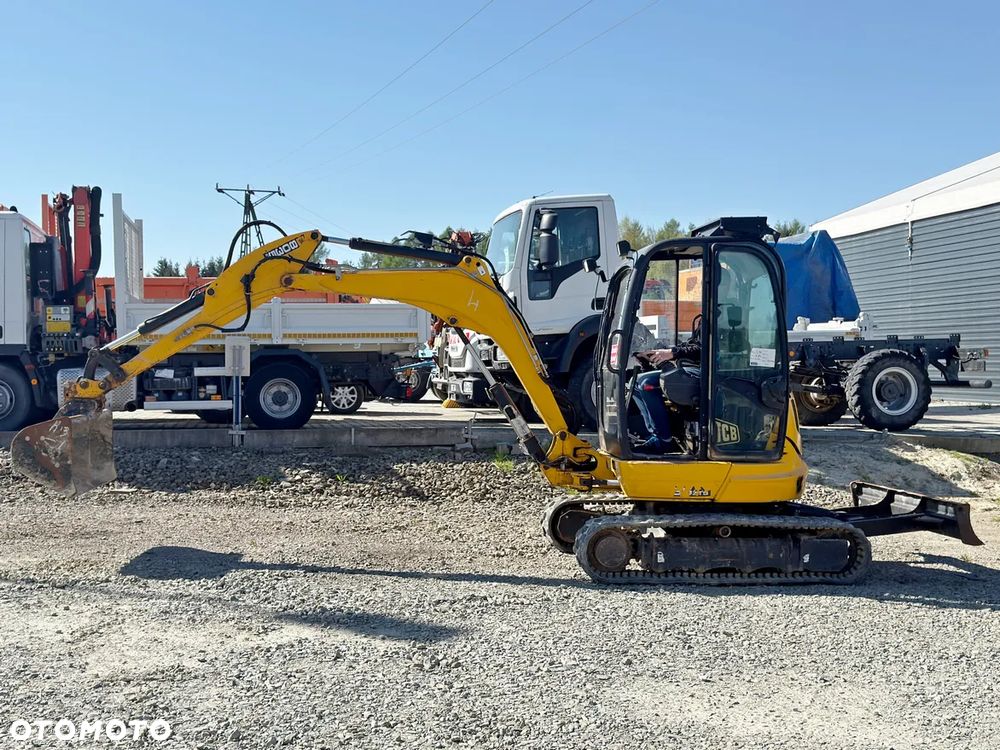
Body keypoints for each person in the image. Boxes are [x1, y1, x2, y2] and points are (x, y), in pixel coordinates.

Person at [633, 318, 702, 453]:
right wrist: (660, 352)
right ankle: (655, 434)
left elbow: (704, 349)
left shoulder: (719, 320)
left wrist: (672, 353)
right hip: (691, 366)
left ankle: (663, 440)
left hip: (705, 372)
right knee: (635, 383)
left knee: (646, 383)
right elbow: (692, 345)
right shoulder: (705, 318)